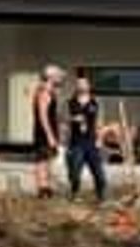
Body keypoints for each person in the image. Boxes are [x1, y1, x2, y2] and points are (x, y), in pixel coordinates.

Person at [63, 71, 110, 201]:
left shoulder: (96, 103)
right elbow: (62, 120)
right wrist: (73, 119)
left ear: (89, 86)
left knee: (99, 174)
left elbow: (100, 123)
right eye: (79, 84)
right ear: (76, 87)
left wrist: (100, 140)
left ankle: (101, 196)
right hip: (76, 142)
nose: (82, 86)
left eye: (84, 84)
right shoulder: (69, 103)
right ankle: (74, 193)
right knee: (74, 173)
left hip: (92, 142)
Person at [28, 64, 65, 195]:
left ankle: (46, 186)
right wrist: (50, 135)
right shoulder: (44, 92)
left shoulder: (49, 91)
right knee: (42, 159)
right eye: (58, 75)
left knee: (48, 158)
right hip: (43, 132)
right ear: (51, 76)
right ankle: (42, 188)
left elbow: (52, 114)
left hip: (48, 130)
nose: (60, 78)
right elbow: (43, 115)